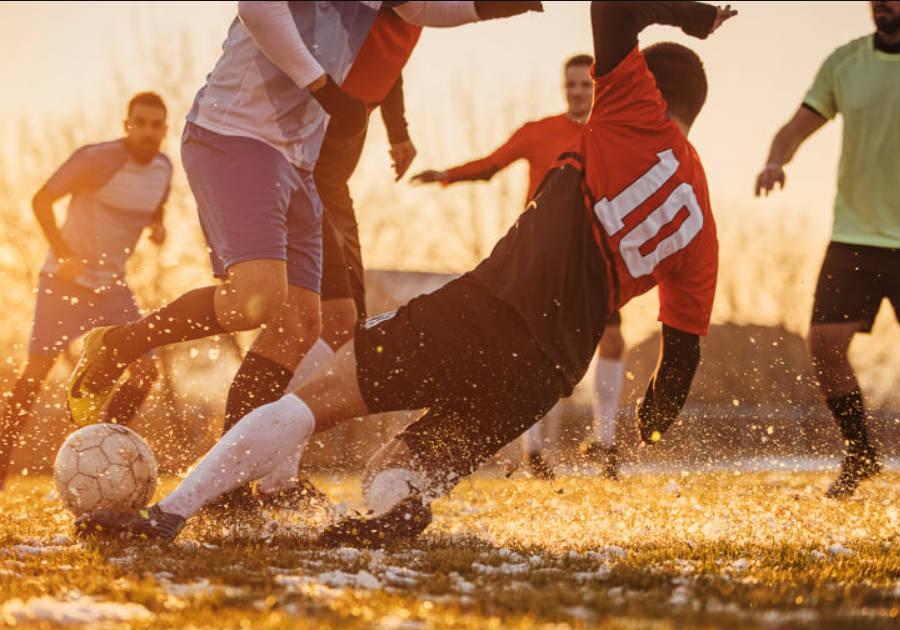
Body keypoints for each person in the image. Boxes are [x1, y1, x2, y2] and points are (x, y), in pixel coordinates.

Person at [76, 1, 734, 545]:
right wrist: (651, 424)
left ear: (648, 87)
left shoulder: (634, 114)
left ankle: (167, 516)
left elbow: (614, 6)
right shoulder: (701, 228)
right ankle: (396, 511)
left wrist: (686, 14)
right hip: (549, 372)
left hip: (481, 311)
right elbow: (678, 358)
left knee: (312, 401)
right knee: (397, 466)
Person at [65, 1, 543, 494]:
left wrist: (501, 5)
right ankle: (120, 343)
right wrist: (322, 88)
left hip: (297, 161)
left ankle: (229, 487)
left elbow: (420, 8)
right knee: (259, 297)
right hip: (235, 135)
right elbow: (256, 7)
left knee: (321, 322)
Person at [412, 54, 626, 479]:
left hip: (592, 254)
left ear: (598, 88)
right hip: (540, 254)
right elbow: (492, 165)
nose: (578, 91)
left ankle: (605, 442)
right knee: (533, 347)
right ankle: (533, 449)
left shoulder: (612, 135)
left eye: (586, 84)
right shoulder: (538, 132)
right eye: (571, 84)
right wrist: (447, 174)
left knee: (613, 340)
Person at [755, 0, 900, 499]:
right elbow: (795, 127)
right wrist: (776, 160)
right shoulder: (844, 62)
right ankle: (860, 453)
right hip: (855, 235)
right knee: (823, 344)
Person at [256, 5, 424, 501]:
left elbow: (387, 68)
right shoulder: (353, 18)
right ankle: (272, 475)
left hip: (334, 187)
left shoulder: (404, 22)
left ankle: (275, 471)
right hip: (306, 183)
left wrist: (398, 131)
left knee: (349, 326)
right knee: (323, 321)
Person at [0, 92, 171, 489]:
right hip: (64, 283)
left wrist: (157, 227)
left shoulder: (164, 169)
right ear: (126, 125)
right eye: (139, 123)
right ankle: (1, 469)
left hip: (113, 288)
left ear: (164, 130)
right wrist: (62, 252)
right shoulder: (95, 159)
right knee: (36, 375)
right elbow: (41, 200)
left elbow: (155, 206)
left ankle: (98, 453)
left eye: (155, 125)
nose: (147, 132)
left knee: (145, 371)